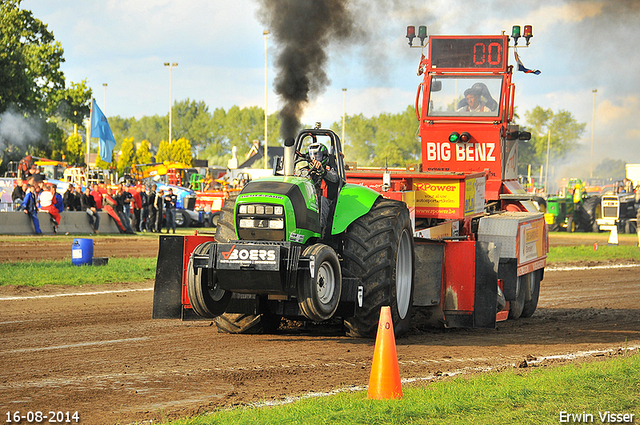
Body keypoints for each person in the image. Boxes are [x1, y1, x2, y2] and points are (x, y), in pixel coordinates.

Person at [307, 143, 340, 234]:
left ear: (324, 156)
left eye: (317, 156)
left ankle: (321, 232)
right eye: (312, 155)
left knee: (322, 201)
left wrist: (322, 171)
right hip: (310, 200)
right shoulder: (306, 170)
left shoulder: (329, 169)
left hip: (326, 200)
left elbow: (335, 178)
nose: (314, 159)